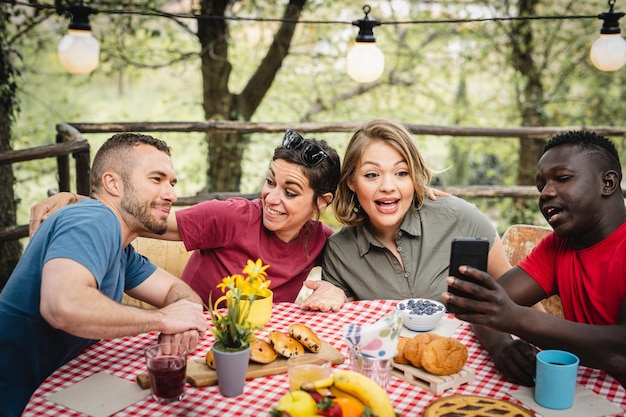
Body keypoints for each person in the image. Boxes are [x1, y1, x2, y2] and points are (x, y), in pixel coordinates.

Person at [0, 133, 207, 416]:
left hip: (65, 392)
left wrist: (182, 320)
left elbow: (177, 291)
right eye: (156, 180)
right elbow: (62, 306)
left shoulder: (121, 248)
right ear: (113, 184)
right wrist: (162, 319)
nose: (171, 194)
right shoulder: (94, 220)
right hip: (18, 402)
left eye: (172, 183)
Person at [30, 130, 343, 309]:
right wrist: (74, 200)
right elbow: (138, 217)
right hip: (194, 335)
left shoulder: (322, 240)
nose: (271, 198)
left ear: (321, 202)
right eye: (270, 181)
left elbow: (357, 262)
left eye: (290, 193)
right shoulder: (231, 216)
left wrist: (340, 292)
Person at [443, 130, 626, 388]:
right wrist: (502, 346)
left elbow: (621, 351)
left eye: (562, 178)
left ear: (607, 183)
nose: (546, 193)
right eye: (541, 186)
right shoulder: (558, 246)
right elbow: (484, 305)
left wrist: (514, 318)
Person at [301, 119, 511, 309]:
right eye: (372, 175)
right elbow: (343, 322)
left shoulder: (458, 217)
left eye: (402, 173)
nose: (388, 186)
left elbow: (518, 297)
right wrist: (338, 298)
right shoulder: (340, 251)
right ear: (351, 181)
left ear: (415, 177)